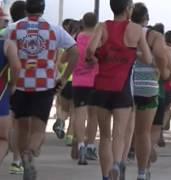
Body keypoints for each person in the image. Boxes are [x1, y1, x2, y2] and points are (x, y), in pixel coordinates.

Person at [7, 0, 79, 179]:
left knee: (22, 127)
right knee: (38, 129)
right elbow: (75, 51)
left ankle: (21, 158)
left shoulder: (13, 29)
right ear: (43, 9)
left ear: (26, 9)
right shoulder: (54, 29)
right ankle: (29, 154)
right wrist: (63, 77)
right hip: (45, 85)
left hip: (20, 84)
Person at [86, 0, 152, 179]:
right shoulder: (136, 30)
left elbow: (90, 50)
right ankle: (116, 163)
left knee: (105, 136)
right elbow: (147, 58)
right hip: (122, 88)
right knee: (119, 133)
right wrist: (131, 54)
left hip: (101, 87)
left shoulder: (102, 26)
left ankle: (106, 176)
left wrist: (94, 58)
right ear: (127, 9)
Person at [130, 3, 170, 180]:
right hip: (147, 87)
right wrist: (162, 72)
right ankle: (142, 172)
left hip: (125, 85)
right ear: (146, 18)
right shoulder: (154, 35)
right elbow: (161, 56)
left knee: (123, 131)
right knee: (143, 133)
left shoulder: (125, 31)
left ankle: (119, 163)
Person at [71, 12, 99, 165]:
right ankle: (90, 145)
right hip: (95, 80)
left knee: (80, 113)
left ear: (83, 22)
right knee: (93, 115)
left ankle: (80, 144)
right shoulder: (98, 39)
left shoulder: (77, 38)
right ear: (96, 23)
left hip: (78, 81)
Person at [0, 7, 21, 165]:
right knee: (3, 138)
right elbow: (16, 67)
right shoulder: (7, 44)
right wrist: (13, 84)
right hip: (1, 94)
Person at [7, 0, 26, 175]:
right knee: (20, 125)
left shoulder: (5, 32)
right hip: (25, 83)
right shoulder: (28, 31)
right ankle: (17, 159)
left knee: (11, 123)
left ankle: (16, 160)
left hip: (5, 84)